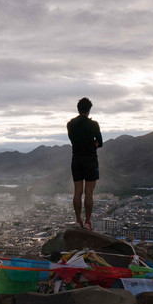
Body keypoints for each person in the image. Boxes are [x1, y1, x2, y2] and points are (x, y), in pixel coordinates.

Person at [67, 97, 102, 230]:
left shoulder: (70, 124)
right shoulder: (93, 125)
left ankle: (78, 220)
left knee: (77, 192)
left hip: (76, 160)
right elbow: (100, 142)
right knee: (89, 193)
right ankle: (87, 222)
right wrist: (92, 144)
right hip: (90, 160)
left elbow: (73, 140)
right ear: (89, 110)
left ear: (78, 109)